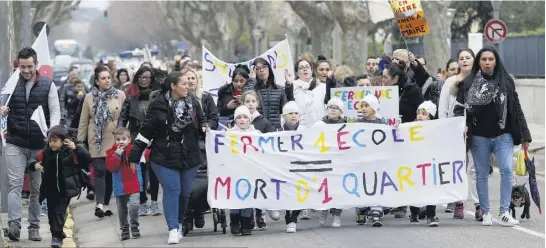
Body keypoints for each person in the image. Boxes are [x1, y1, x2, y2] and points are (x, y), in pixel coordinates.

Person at [128, 70, 208, 244]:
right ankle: (172, 228)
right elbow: (145, 132)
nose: (188, 86)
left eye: (189, 83)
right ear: (173, 86)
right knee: (173, 190)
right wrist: (134, 156)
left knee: (185, 193)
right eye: (184, 83)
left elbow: (203, 122)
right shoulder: (158, 105)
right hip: (163, 156)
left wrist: (206, 128)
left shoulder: (193, 101)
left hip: (189, 155)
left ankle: (179, 223)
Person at [454, 46, 532, 227]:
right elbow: (459, 108)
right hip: (479, 136)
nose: (487, 62)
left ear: (496, 61)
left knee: (506, 169)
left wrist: (525, 135)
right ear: (478, 62)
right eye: (483, 59)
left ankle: (504, 212)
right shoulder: (468, 83)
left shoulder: (506, 82)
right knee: (481, 173)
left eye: (490, 59)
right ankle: (486, 212)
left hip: (503, 134)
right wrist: (462, 125)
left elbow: (516, 109)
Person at [0, 47, 61, 241]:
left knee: (36, 188)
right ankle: (14, 226)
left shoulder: (48, 85)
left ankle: (34, 227)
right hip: (15, 142)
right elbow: (2, 104)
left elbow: (55, 112)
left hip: (39, 145)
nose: (25, 70)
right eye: (22, 66)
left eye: (29, 66)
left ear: (36, 65)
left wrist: (52, 133)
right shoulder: (10, 86)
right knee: (15, 184)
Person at [28, 125, 91, 248]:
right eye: (50, 141)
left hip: (65, 189)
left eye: (55, 141)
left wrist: (76, 147)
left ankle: (56, 237)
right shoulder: (45, 152)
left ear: (64, 141)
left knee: (59, 212)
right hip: (50, 189)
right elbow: (32, 160)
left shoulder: (70, 151)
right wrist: (34, 164)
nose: (52, 144)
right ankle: (57, 233)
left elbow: (87, 157)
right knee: (51, 215)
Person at [78, 66, 126, 219]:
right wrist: (80, 140)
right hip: (96, 139)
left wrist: (126, 137)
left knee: (110, 172)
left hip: (114, 138)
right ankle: (99, 204)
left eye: (108, 78)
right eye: (103, 78)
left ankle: (105, 204)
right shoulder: (89, 97)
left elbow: (126, 118)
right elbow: (84, 121)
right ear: (97, 81)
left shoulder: (119, 95)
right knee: (99, 171)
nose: (107, 80)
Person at [438, 48, 481, 219]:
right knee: (459, 168)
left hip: (476, 129)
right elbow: (443, 109)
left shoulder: (480, 81)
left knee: (476, 168)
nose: (464, 61)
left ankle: (479, 204)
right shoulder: (451, 82)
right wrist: (444, 129)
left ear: (473, 60)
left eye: (468, 57)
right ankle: (459, 202)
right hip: (454, 129)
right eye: (461, 58)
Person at [117, 66, 161, 216]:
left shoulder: (157, 96)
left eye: (147, 77)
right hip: (137, 138)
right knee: (139, 172)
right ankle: (142, 202)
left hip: (155, 138)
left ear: (152, 79)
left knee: (154, 171)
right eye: (141, 77)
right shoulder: (131, 97)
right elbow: (123, 117)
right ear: (137, 79)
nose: (144, 80)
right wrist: (120, 134)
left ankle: (154, 202)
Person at [238, 90, 277, 229]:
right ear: (242, 103)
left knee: (259, 186)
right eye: (247, 101)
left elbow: (272, 138)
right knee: (247, 187)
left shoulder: (263, 121)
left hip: (259, 160)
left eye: (253, 101)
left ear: (257, 103)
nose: (250, 104)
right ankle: (248, 216)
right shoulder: (238, 119)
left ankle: (260, 214)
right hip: (243, 161)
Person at [105, 127, 150, 240]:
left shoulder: (134, 150)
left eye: (124, 139)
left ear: (129, 140)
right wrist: (117, 155)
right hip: (120, 185)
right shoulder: (111, 152)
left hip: (134, 183)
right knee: (122, 209)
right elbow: (111, 168)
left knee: (134, 206)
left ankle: (134, 227)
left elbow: (146, 154)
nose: (121, 142)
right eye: (118, 139)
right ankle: (124, 230)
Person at [354, 94, 391, 227]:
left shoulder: (382, 124)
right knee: (362, 183)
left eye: (367, 105)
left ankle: (376, 209)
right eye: (362, 106)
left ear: (374, 108)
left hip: (377, 161)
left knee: (376, 182)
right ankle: (362, 209)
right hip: (362, 160)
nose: (363, 108)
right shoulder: (357, 123)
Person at [313, 98, 346, 228]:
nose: (332, 109)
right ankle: (323, 210)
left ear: (341, 112)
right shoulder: (319, 125)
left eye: (336, 108)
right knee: (324, 187)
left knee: (337, 188)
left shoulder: (346, 126)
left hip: (339, 161)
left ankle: (337, 215)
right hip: (324, 161)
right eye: (330, 107)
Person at [228, 105, 260, 236]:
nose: (242, 120)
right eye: (239, 117)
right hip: (233, 171)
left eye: (245, 117)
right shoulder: (228, 135)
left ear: (250, 119)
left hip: (249, 171)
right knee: (235, 196)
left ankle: (246, 223)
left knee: (247, 196)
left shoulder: (256, 134)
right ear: (235, 120)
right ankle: (234, 221)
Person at [408, 101, 440, 227]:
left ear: (431, 117)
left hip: (429, 164)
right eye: (419, 113)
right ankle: (414, 213)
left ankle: (431, 215)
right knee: (415, 189)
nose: (420, 116)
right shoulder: (410, 127)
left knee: (430, 189)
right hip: (415, 164)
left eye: (424, 114)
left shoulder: (436, 129)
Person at [244, 57, 294, 129]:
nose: (261, 70)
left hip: (274, 130)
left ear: (269, 69)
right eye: (257, 69)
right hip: (255, 130)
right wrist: (252, 80)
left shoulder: (279, 89)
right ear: (254, 71)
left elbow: (289, 108)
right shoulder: (252, 88)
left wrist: (289, 85)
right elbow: (245, 100)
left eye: (264, 67)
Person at [279, 101, 305, 232]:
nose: (293, 116)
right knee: (288, 193)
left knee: (299, 193)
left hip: (300, 168)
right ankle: (288, 214)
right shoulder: (277, 131)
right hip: (283, 168)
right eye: (290, 113)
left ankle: (293, 219)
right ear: (284, 116)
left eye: (296, 113)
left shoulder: (305, 131)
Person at [286, 59, 326, 127]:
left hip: (321, 127)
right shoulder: (293, 88)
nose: (305, 69)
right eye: (301, 68)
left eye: (307, 67)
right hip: (302, 128)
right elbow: (290, 103)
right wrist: (289, 84)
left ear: (311, 70)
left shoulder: (323, 87)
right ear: (297, 73)